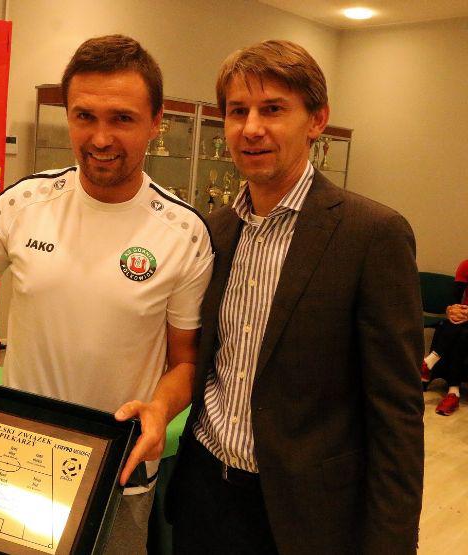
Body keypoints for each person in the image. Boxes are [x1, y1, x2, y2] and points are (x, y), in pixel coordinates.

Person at [0, 34, 214, 554]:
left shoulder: (184, 233)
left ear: (156, 121)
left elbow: (185, 361)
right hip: (14, 456)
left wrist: (160, 410)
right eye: (84, 116)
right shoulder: (22, 205)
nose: (100, 138)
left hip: (119, 468)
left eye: (122, 118)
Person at [166, 40, 424, 554]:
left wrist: (391, 543)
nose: (251, 128)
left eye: (273, 109)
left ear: (316, 120)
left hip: (306, 516)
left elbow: (396, 412)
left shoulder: (372, 234)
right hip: (205, 498)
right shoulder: (213, 231)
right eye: (237, 111)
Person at [421, 258, 468, 415]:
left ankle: (428, 363)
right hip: (463, 320)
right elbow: (455, 300)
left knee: (458, 330)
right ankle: (453, 393)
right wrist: (451, 310)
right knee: (456, 329)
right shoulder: (466, 266)